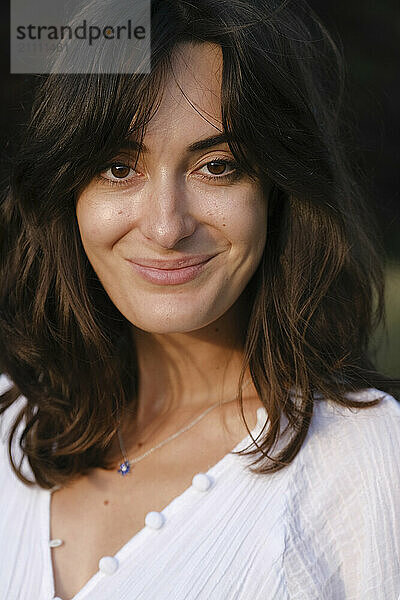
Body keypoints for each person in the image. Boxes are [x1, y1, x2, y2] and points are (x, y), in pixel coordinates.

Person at [1, 1, 399, 599]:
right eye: (117, 167)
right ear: (66, 192)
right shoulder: (10, 417)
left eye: (217, 166)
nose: (166, 226)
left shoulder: (368, 458)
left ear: (278, 191)